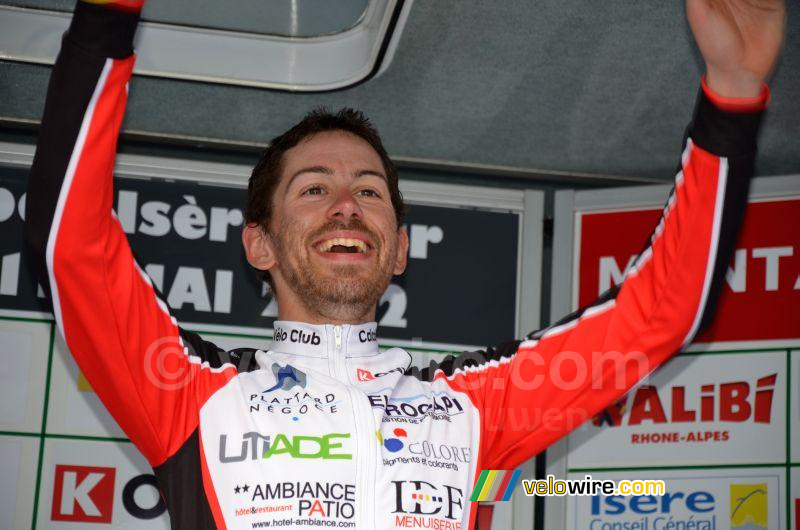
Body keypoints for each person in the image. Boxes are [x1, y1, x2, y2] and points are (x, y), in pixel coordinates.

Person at [24, 0, 785, 528]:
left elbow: (663, 313)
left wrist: (734, 92)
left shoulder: (473, 406)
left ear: (401, 249)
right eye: (313, 189)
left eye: (370, 192)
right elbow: (70, 248)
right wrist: (105, 21)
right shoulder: (184, 394)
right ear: (257, 243)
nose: (347, 206)